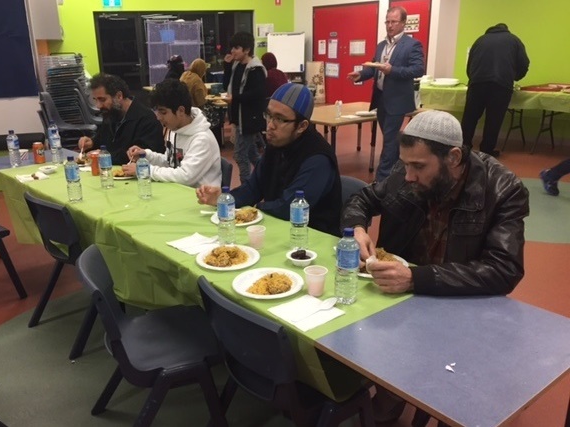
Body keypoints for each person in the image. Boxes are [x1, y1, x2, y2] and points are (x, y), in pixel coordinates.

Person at [341, 110, 529, 425]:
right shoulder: (407, 171)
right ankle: (391, 393)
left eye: (418, 166)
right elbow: (362, 200)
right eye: (405, 164)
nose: (408, 175)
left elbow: (504, 269)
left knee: (454, 403)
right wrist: (357, 229)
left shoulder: (502, 188)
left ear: (453, 157)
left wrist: (415, 278)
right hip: (399, 302)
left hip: (460, 306)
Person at [196, 83, 342, 236]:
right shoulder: (278, 142)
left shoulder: (318, 158)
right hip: (279, 229)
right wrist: (224, 199)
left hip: (312, 239)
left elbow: (288, 208)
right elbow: (253, 187)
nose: (270, 125)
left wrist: (256, 209)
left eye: (280, 119)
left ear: (302, 126)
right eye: (269, 115)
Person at [347, 6, 424, 183]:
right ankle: (400, 174)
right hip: (380, 98)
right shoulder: (382, 45)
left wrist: (393, 70)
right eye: (387, 21)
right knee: (392, 139)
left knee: (389, 142)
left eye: (393, 22)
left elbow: (418, 69)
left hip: (397, 101)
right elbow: (374, 67)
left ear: (403, 23)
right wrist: (361, 75)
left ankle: (381, 183)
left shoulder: (412, 45)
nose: (389, 25)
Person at [125, 79, 221, 188]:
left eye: (163, 112)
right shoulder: (175, 129)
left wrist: (144, 170)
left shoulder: (202, 139)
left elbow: (185, 176)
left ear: (181, 111)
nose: (158, 117)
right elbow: (169, 162)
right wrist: (146, 155)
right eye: (157, 112)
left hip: (199, 198)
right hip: (178, 192)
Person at [461, 23, 530, 157]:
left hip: (477, 83)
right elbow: (524, 64)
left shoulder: (480, 40)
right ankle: (486, 151)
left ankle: (464, 146)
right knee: (494, 120)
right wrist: (514, 77)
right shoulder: (514, 40)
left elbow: (470, 64)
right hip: (501, 85)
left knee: (470, 117)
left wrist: (474, 77)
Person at [78, 73, 164, 165]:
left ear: (119, 96)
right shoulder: (111, 114)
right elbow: (104, 140)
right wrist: (92, 142)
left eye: (102, 100)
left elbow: (139, 155)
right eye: (95, 100)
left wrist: (105, 157)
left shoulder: (146, 119)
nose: (98, 106)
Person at [222, 31, 268, 184]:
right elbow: (226, 85)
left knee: (240, 156)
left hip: (249, 118)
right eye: (232, 48)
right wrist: (227, 66)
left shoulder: (255, 69)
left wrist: (236, 98)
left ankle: (246, 188)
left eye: (236, 48)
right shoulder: (236, 66)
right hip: (239, 117)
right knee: (252, 154)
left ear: (247, 50)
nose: (233, 51)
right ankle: (268, 177)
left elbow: (258, 93)